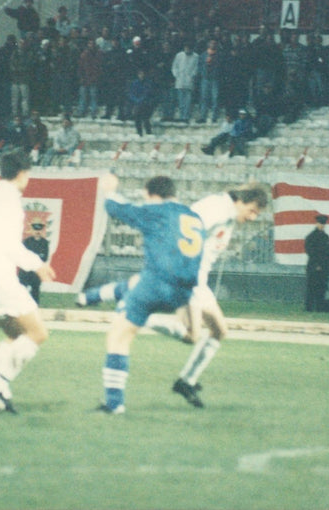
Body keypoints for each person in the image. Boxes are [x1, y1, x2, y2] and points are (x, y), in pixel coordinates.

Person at [80, 185, 268, 409]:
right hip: (188, 278)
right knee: (192, 336)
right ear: (241, 201)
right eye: (253, 210)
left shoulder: (226, 212)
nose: (253, 217)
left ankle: (185, 381)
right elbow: (182, 230)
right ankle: (134, 315)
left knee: (218, 331)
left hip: (198, 280)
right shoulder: (217, 208)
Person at [98, 174, 206, 414]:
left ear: (150, 193)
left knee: (119, 335)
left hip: (157, 283)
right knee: (190, 335)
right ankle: (151, 321)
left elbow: (119, 209)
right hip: (185, 291)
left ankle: (114, 404)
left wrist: (109, 190)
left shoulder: (157, 211)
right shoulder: (195, 218)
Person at [0, 150, 56, 414]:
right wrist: (37, 265)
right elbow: (9, 245)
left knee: (16, 336)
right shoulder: (10, 201)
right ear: (23, 173)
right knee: (38, 333)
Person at [304, 214, 329, 312]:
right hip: (314, 267)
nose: (322, 226)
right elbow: (310, 252)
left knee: (321, 289)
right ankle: (309, 308)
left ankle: (320, 307)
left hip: (325, 268)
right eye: (320, 223)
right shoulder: (311, 237)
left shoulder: (326, 237)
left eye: (323, 224)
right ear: (317, 223)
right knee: (311, 288)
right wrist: (316, 265)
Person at [19, 219, 50, 304]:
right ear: (31, 230)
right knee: (21, 290)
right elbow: (23, 256)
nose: (37, 232)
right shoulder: (26, 242)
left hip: (36, 271)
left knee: (35, 291)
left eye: (39, 229)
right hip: (25, 270)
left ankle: (35, 307)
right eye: (35, 229)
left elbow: (45, 257)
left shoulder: (45, 243)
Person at [171, 41, 199, 122]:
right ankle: (181, 116)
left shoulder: (196, 56)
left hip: (189, 81)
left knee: (188, 100)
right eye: (186, 48)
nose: (187, 50)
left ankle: (186, 117)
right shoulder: (179, 55)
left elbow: (196, 68)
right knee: (180, 100)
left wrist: (192, 75)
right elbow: (174, 66)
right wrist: (176, 75)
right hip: (180, 80)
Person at [128, 69, 155, 136]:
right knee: (137, 117)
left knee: (145, 118)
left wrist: (141, 100)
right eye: (140, 74)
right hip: (137, 103)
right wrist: (136, 100)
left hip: (146, 103)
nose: (141, 75)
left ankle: (148, 132)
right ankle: (139, 132)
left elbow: (147, 93)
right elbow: (131, 93)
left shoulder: (148, 83)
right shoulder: (135, 83)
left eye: (142, 74)